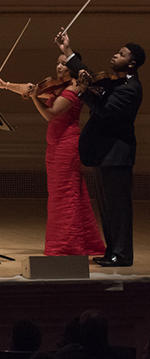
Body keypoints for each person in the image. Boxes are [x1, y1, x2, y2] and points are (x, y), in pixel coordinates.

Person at [0, 54, 105, 256]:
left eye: (64, 63)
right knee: (67, 194)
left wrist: (34, 97)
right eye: (58, 62)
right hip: (54, 147)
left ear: (73, 66)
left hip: (67, 146)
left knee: (64, 196)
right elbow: (29, 88)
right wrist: (4, 85)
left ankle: (65, 245)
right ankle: (81, 240)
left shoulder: (75, 88)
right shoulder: (59, 87)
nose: (59, 66)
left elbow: (50, 114)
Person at [55, 33, 143, 267]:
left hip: (117, 155)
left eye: (122, 54)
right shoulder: (118, 82)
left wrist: (84, 92)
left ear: (132, 63)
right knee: (107, 208)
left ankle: (122, 255)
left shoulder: (130, 89)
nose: (116, 55)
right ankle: (112, 251)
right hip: (106, 155)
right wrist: (68, 50)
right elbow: (91, 76)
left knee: (119, 209)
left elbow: (104, 111)